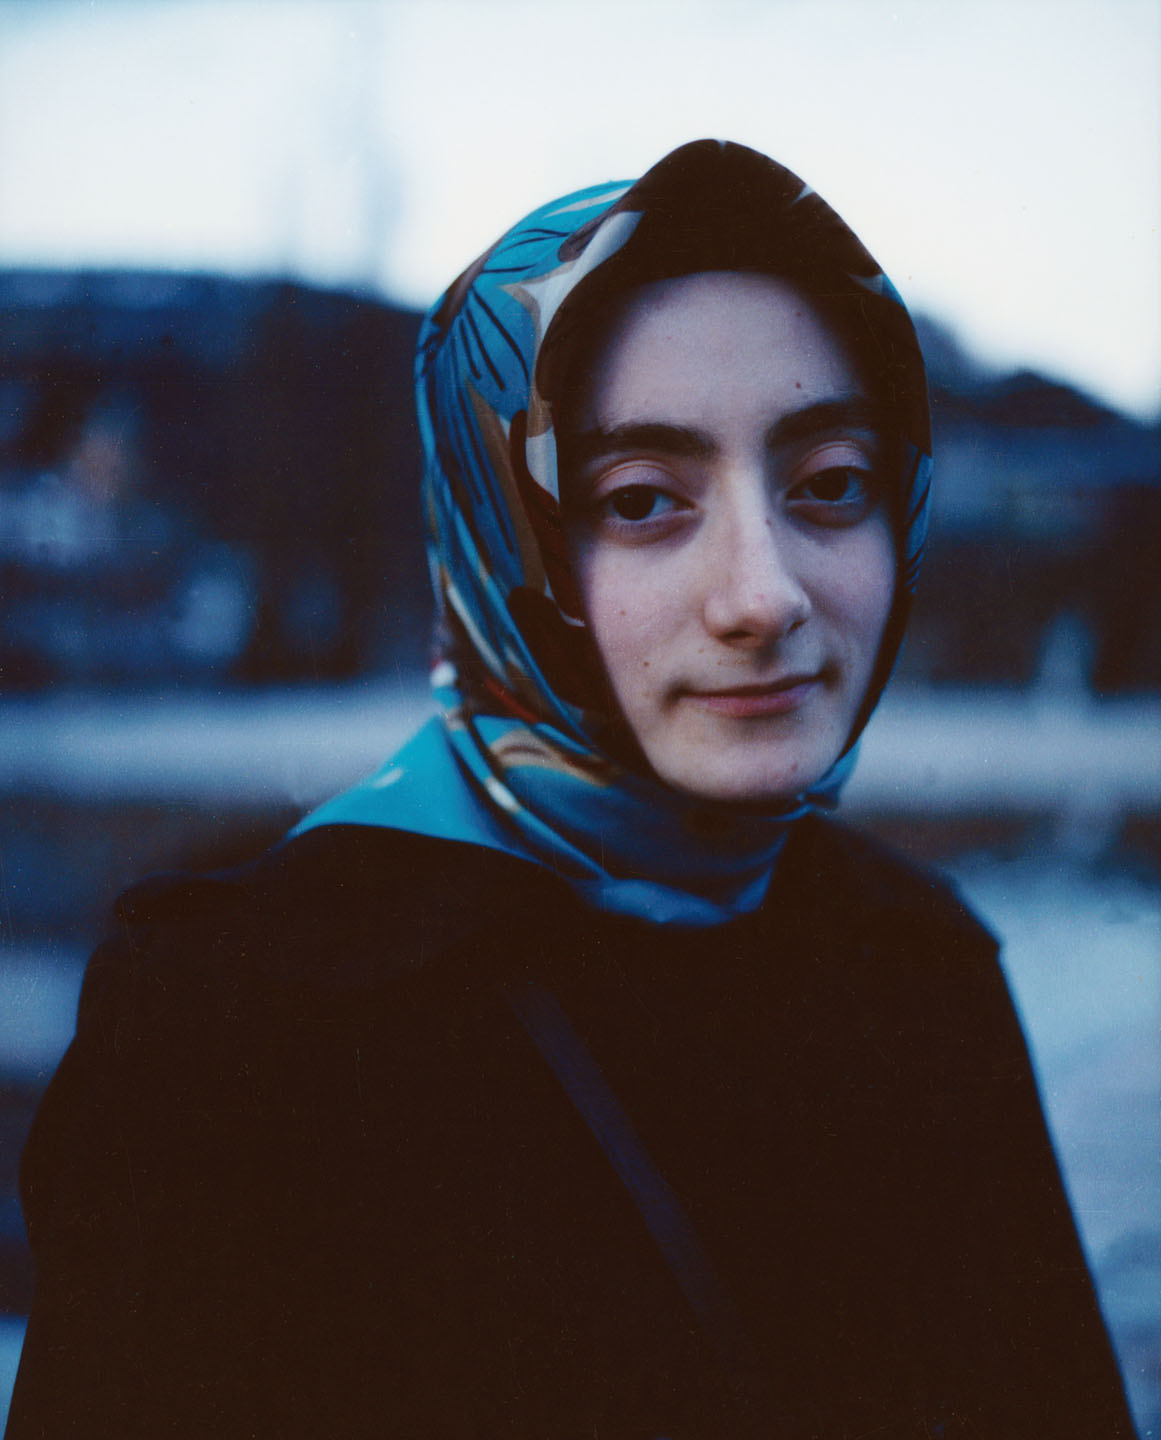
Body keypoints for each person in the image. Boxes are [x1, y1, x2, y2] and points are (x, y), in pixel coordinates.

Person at [9, 140, 1134, 1438]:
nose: (763, 595)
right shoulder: (247, 1017)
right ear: (506, 536)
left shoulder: (918, 963)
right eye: (644, 500)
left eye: (831, 485)